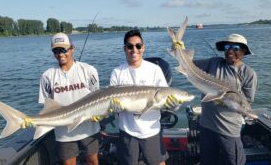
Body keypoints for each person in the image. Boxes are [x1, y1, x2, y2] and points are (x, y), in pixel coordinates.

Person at [110, 29, 179, 165]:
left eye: (138, 46)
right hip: (127, 130)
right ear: (125, 49)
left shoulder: (154, 70)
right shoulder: (117, 72)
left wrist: (173, 104)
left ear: (143, 48)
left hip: (151, 129)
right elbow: (112, 106)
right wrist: (113, 108)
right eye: (130, 46)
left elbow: (165, 96)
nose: (134, 49)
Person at [193, 34, 258, 165]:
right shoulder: (214, 62)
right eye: (227, 47)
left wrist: (223, 100)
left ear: (243, 51)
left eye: (235, 47)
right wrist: (179, 50)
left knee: (235, 162)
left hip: (228, 129)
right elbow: (190, 65)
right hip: (207, 126)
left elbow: (247, 102)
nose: (230, 50)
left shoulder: (248, 73)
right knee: (207, 161)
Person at [38, 32, 100, 165]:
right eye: (56, 50)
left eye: (64, 49)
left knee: (93, 161)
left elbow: (98, 98)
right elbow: (46, 106)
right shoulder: (47, 76)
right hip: (64, 133)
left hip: (89, 129)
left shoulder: (89, 71)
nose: (60, 54)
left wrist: (99, 114)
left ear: (73, 48)